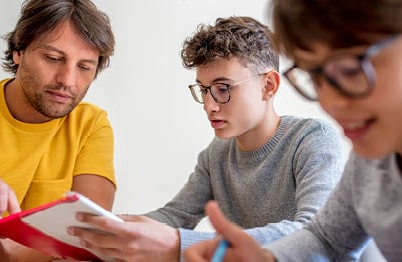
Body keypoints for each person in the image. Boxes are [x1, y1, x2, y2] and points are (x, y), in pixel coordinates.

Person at [183, 0, 402, 261]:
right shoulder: (374, 155)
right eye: (314, 77)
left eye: (351, 69)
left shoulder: (316, 138)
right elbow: (327, 238)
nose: (329, 102)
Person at [68, 16, 344, 261]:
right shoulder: (217, 153)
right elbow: (176, 215)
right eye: (203, 89)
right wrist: (111, 233)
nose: (209, 105)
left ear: (268, 85)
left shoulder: (312, 139)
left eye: (223, 89)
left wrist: (178, 244)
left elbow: (311, 231)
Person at [0, 0, 116, 260]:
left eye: (84, 67)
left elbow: (91, 234)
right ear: (18, 51)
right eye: (53, 58)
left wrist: (5, 254)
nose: (67, 81)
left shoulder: (91, 125)